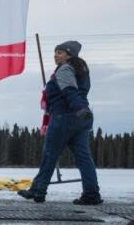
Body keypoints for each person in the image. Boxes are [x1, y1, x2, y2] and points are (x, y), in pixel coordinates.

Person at [18, 41, 102, 204]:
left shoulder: (65, 69)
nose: (55, 55)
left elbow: (69, 90)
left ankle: (38, 191)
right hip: (81, 119)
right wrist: (83, 113)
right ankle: (92, 194)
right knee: (84, 157)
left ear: (69, 54)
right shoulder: (82, 69)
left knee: (50, 154)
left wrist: (79, 109)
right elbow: (81, 91)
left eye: (60, 52)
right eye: (55, 52)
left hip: (65, 116)